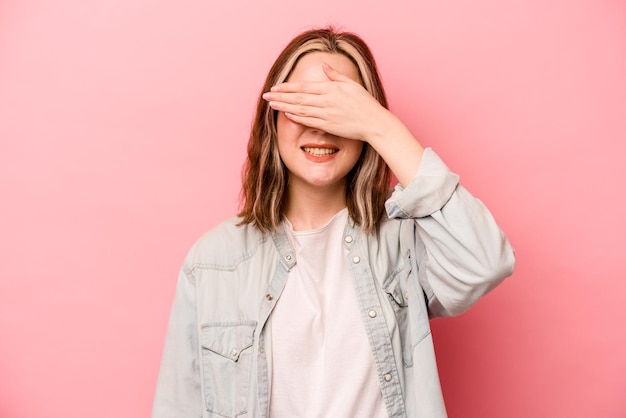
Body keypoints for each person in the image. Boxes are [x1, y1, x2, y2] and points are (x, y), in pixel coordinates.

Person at [152, 27, 515, 418]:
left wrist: (381, 127)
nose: (321, 125)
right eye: (304, 104)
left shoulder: (405, 245)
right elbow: (178, 406)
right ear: (271, 120)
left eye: (339, 108)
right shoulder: (212, 261)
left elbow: (485, 262)